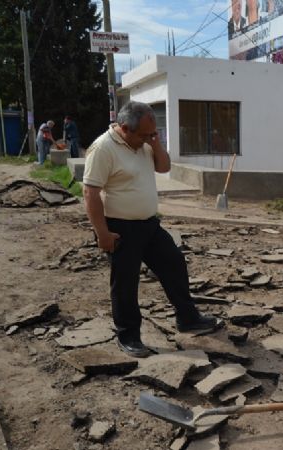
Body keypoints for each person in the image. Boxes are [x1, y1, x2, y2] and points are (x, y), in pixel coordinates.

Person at [82, 101, 224, 358]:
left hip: (148, 223)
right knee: (125, 283)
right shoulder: (103, 148)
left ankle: (188, 318)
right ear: (125, 128)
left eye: (153, 133)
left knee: (174, 264)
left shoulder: (144, 143)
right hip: (120, 227)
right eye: (145, 134)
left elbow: (164, 167)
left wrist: (155, 143)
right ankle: (129, 336)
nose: (149, 138)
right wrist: (102, 233)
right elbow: (90, 192)